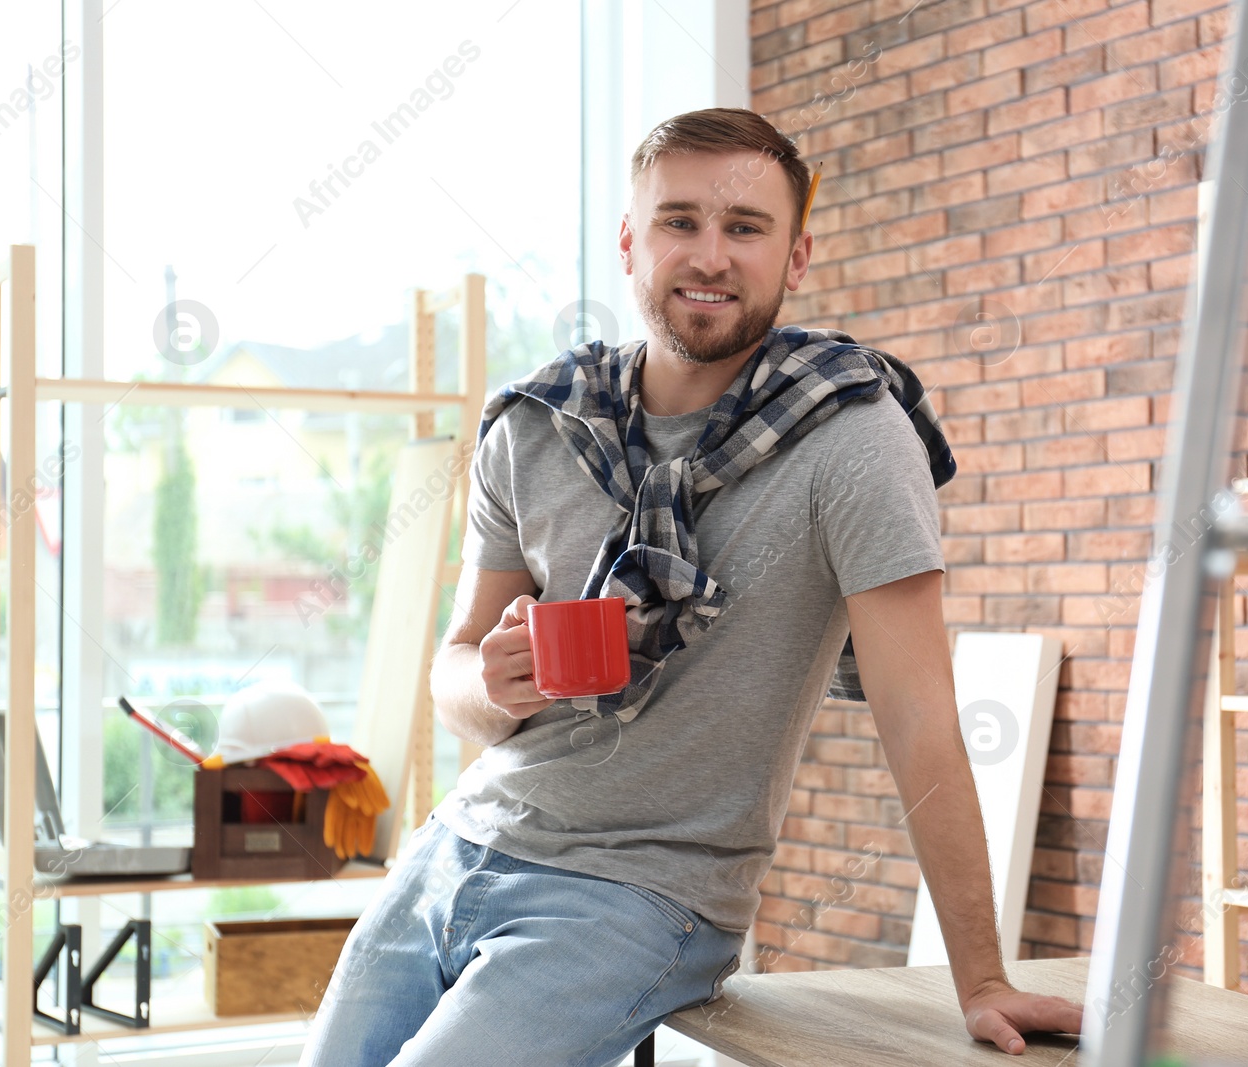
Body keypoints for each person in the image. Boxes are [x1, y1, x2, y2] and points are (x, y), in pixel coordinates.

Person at [302, 107, 1083, 1067]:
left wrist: (984, 978)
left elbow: (920, 714)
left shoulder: (852, 439)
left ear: (795, 257)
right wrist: (494, 680)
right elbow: (454, 668)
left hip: (641, 894)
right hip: (453, 848)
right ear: (632, 242)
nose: (710, 254)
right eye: (680, 222)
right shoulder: (538, 427)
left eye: (745, 228)